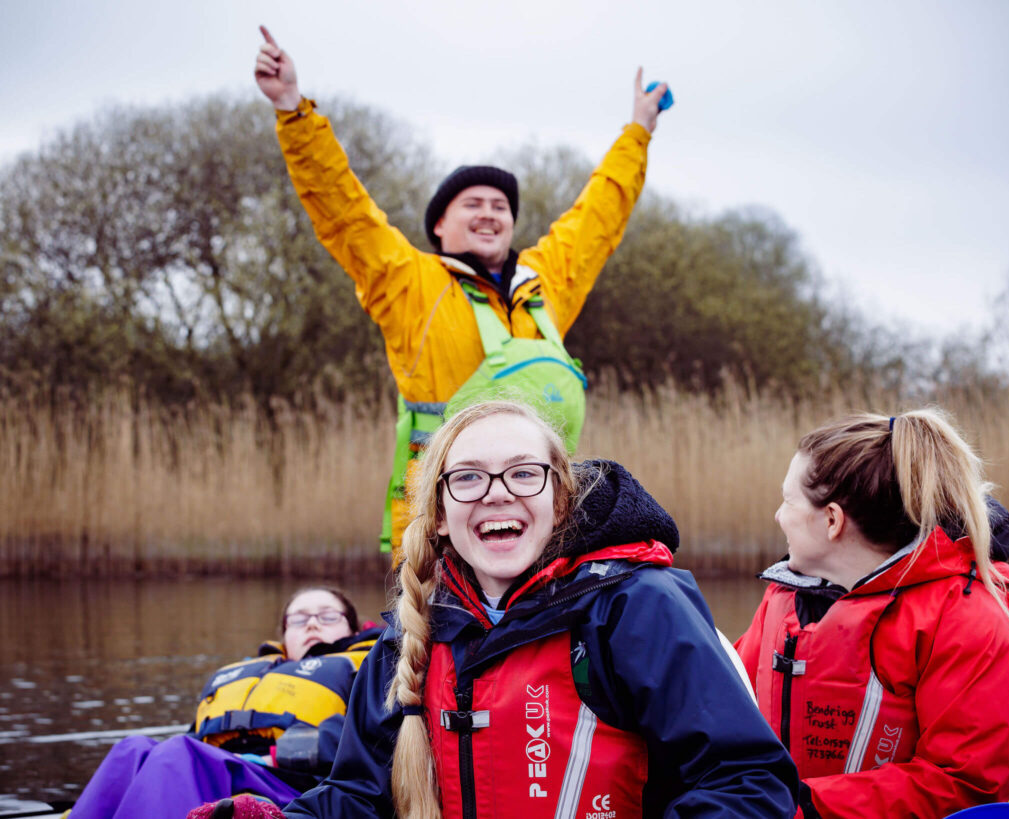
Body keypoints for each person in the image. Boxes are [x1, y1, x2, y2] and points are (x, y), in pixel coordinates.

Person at [199, 400, 796, 818]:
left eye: (522, 473)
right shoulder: (405, 639)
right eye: (468, 479)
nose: (497, 492)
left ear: (560, 499)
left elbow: (745, 781)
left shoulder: (638, 607)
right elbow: (358, 799)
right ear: (437, 511)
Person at [254, 28, 669, 559]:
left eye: (501, 206)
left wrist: (639, 130)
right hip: (440, 515)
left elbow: (600, 215)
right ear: (440, 228)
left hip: (534, 511)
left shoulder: (542, 283)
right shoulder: (407, 281)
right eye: (472, 204)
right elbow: (342, 210)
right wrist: (292, 108)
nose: (490, 212)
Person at [734, 410, 1009, 817]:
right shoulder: (785, 598)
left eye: (788, 500)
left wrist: (799, 807)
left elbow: (963, 784)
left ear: (832, 520)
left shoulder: (972, 622)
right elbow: (725, 703)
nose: (779, 516)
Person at [71, 587, 382, 818]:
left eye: (328, 617)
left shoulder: (366, 666)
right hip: (219, 769)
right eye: (299, 619)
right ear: (284, 636)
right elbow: (194, 737)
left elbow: (374, 743)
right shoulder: (238, 674)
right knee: (132, 749)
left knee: (178, 752)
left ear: (353, 630)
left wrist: (288, 752)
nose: (313, 624)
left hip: (297, 786)